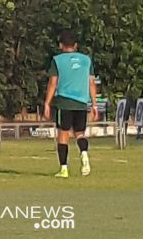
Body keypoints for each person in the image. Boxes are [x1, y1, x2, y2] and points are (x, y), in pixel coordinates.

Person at [43, 30, 98, 178]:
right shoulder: (86, 60)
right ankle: (84, 154)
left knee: (63, 134)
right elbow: (91, 83)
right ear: (75, 45)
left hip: (64, 102)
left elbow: (52, 83)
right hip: (81, 103)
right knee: (79, 134)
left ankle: (64, 169)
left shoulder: (57, 60)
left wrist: (47, 103)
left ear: (61, 45)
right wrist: (94, 104)